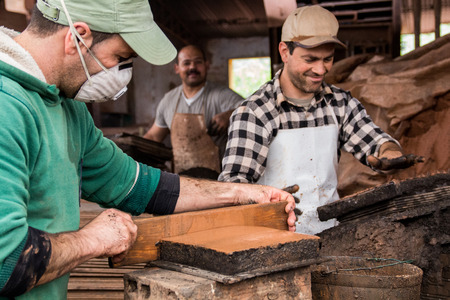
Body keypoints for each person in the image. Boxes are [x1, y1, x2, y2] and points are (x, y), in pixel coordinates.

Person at [0, 0, 296, 298]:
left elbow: (140, 185)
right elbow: (6, 261)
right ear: (77, 37)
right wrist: (93, 239)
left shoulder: (68, 106)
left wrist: (239, 194)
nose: (123, 73)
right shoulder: (7, 107)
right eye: (121, 57)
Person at [219, 5, 423, 235]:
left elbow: (375, 141)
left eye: (328, 59)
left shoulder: (339, 103)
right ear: (285, 52)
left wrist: (390, 153)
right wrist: (267, 201)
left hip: (330, 232)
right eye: (311, 59)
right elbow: (234, 187)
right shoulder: (255, 113)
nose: (320, 69)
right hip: (273, 237)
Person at [143, 45, 244, 178]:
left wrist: (230, 114)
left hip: (218, 179)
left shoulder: (221, 95)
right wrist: (129, 152)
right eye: (186, 63)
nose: (192, 68)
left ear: (207, 65)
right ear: (177, 68)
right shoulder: (168, 100)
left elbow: (249, 109)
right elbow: (154, 137)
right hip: (182, 180)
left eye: (198, 62)